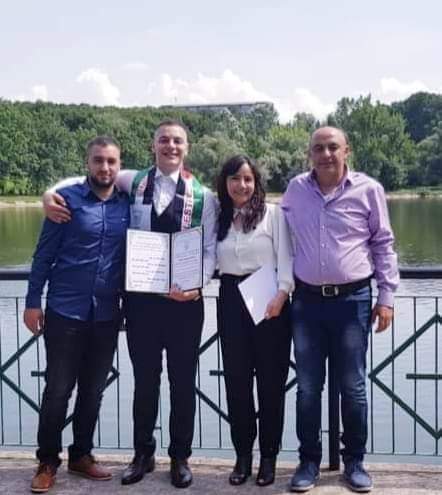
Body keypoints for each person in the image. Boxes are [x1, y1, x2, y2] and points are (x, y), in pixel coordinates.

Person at [43, 120, 217, 488]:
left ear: (187, 147)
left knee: (183, 382)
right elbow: (86, 178)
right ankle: (143, 454)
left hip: (186, 304)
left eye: (177, 141)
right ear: (154, 146)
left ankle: (180, 457)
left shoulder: (205, 195)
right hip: (141, 304)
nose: (170, 146)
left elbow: (209, 250)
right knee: (144, 381)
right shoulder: (132, 180)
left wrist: (197, 284)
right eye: (163, 140)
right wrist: (48, 194)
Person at [281, 126, 399, 493]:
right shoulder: (295, 190)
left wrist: (386, 296)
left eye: (333, 147)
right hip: (306, 302)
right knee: (307, 388)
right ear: (310, 153)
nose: (326, 154)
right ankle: (308, 462)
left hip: (353, 302)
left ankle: (354, 462)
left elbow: (383, 244)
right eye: (318, 148)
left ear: (347, 150)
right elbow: (275, 234)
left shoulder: (369, 190)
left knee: (353, 386)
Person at [24, 136, 129, 493]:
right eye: (98, 160)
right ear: (88, 163)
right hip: (65, 311)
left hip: (107, 314)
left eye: (111, 161)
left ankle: (81, 455)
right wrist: (33, 301)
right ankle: (47, 461)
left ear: (119, 165)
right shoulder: (65, 201)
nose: (105, 167)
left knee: (93, 390)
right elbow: (43, 256)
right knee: (57, 390)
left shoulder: (127, 204)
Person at [216, 155, 293, 487]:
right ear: (225, 183)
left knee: (271, 384)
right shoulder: (218, 216)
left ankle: (269, 457)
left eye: (248, 179)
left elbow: (287, 259)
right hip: (230, 299)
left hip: (269, 299)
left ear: (256, 183)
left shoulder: (273, 214)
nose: (241, 185)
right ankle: (243, 456)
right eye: (235, 178)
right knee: (236, 383)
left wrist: (282, 295)